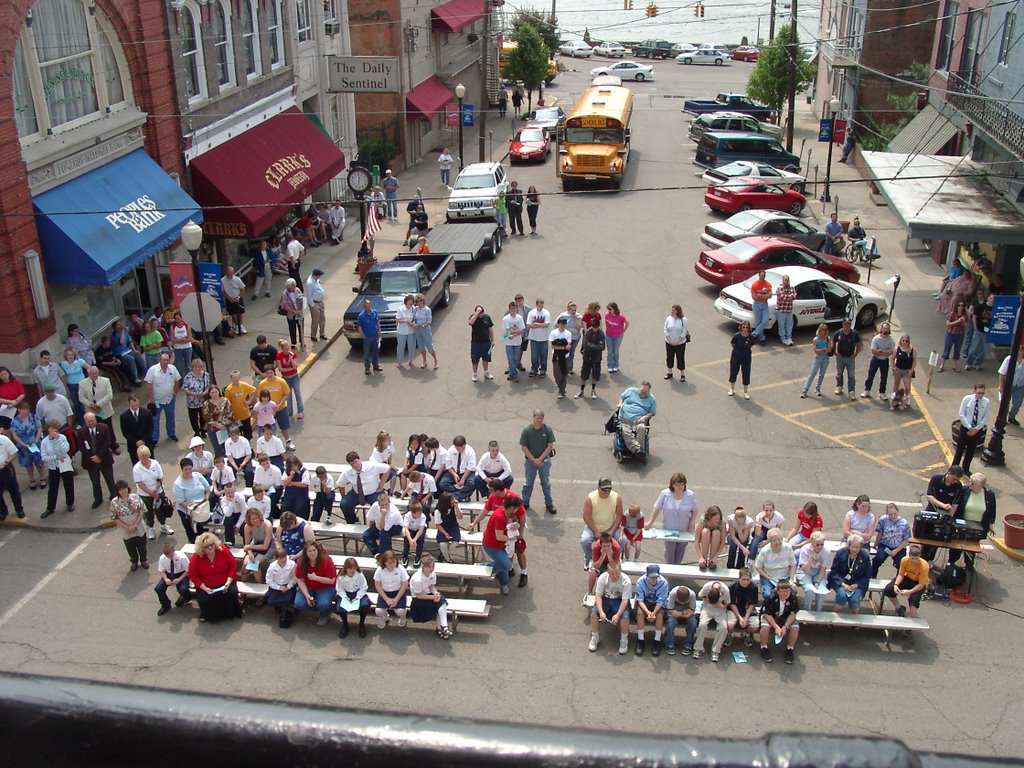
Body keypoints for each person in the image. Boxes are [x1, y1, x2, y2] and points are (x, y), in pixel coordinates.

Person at [188, 531, 243, 623]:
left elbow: (233, 565)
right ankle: (207, 614)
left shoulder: (223, 550)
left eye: (211, 544)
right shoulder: (196, 557)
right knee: (203, 599)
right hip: (206, 586)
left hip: (225, 582)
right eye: (206, 546)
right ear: (202, 548)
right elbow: (192, 575)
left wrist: (229, 582)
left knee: (232, 593)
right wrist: (204, 588)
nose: (210, 547)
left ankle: (231, 613)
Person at [646, 472, 697, 564]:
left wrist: (692, 522)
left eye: (683, 484)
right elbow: (656, 508)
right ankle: (670, 567)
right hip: (669, 530)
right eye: (678, 484)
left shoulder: (690, 495)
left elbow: (695, 510)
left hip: (684, 528)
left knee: (680, 551)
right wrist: (650, 522)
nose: (681, 486)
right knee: (670, 552)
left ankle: (676, 568)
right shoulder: (665, 494)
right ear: (673, 484)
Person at [950, 472, 997, 568]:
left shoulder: (989, 495)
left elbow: (992, 510)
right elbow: (956, 505)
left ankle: (969, 566)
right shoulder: (964, 490)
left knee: (972, 548)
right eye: (970, 481)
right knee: (956, 547)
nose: (970, 484)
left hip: (977, 528)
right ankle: (951, 562)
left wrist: (991, 524)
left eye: (973, 483)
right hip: (961, 526)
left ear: (980, 486)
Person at [588, 560, 632, 655]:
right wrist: (601, 611)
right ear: (608, 572)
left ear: (620, 570)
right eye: (612, 574)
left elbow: (625, 600)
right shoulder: (603, 578)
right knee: (594, 614)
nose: (615, 576)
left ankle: (624, 639)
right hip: (606, 599)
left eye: (617, 573)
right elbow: (598, 595)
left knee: (625, 617)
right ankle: (595, 636)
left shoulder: (626, 581)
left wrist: (618, 615)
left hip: (619, 601)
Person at [337, 451, 390, 524]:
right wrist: (343, 496)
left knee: (379, 506)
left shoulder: (371, 466)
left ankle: (377, 524)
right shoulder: (347, 472)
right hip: (357, 493)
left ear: (359, 459)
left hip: (373, 492)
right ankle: (353, 522)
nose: (355, 465)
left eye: (356, 462)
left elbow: (387, 468)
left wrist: (381, 484)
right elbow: (340, 484)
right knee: (344, 504)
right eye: (352, 464)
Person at [292, 542, 337, 627]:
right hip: (309, 586)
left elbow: (332, 580)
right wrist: (307, 595)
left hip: (325, 587)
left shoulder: (326, 561)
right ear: (305, 553)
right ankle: (321, 607)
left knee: (323, 603)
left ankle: (325, 614)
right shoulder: (301, 562)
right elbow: (300, 580)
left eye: (314, 550)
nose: (312, 553)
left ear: (317, 550)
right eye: (309, 551)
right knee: (299, 603)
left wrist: (316, 578)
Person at [520, 408, 556, 514]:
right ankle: (525, 502)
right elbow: (524, 447)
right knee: (528, 483)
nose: (539, 420)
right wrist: (533, 460)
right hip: (530, 462)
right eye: (537, 418)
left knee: (545, 483)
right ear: (533, 417)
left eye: (541, 418)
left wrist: (540, 459)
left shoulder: (547, 430)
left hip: (544, 461)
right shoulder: (527, 430)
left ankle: (549, 503)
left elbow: (550, 446)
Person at [409, 554, 452, 639]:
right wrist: (433, 597)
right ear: (423, 566)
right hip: (418, 601)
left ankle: (443, 627)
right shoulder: (417, 579)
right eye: (429, 567)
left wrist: (435, 593)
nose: (431, 569)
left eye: (433, 566)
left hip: (428, 595)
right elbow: (418, 595)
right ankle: (441, 628)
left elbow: (431, 585)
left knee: (441, 600)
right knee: (439, 604)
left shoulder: (432, 574)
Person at [78, 412, 115, 509]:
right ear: (85, 422)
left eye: (92, 420)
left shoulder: (104, 428)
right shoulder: (81, 432)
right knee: (95, 481)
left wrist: (99, 456)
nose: (91, 423)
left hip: (104, 459)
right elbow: (81, 447)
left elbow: (107, 443)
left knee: (110, 480)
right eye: (89, 421)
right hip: (90, 461)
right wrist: (92, 457)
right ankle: (98, 498)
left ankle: (114, 496)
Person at [759, 578, 800, 664]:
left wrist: (786, 626)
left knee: (795, 627)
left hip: (786, 616)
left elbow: (793, 614)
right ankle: (764, 647)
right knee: (765, 627)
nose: (786, 593)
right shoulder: (770, 597)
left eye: (787, 591)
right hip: (772, 616)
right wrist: (776, 627)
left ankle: (790, 649)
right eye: (783, 591)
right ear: (778, 591)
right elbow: (767, 614)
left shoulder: (793, 597)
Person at [132, 445, 170, 538]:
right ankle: (151, 529)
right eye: (142, 456)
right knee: (147, 512)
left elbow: (160, 478)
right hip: (144, 494)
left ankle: (163, 525)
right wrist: (150, 492)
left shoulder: (155, 463)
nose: (144, 458)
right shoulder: (137, 468)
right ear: (139, 457)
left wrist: (155, 490)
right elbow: (140, 483)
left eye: (146, 455)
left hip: (158, 491)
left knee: (161, 509)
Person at [883, 544, 929, 619]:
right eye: (912, 558)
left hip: (918, 583)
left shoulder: (924, 566)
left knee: (914, 600)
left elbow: (921, 585)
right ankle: (898, 607)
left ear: (920, 557)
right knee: (889, 589)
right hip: (906, 577)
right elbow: (901, 574)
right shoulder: (904, 560)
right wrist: (896, 585)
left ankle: (912, 621)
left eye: (916, 559)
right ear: (909, 555)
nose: (914, 561)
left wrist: (909, 592)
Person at [40, 420, 75, 519]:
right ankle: (50, 508)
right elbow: (44, 457)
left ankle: (70, 503)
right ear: (48, 429)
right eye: (52, 428)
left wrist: (58, 439)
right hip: (53, 467)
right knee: (53, 488)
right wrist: (55, 457)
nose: (54, 431)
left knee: (68, 484)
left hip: (64, 465)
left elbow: (66, 450)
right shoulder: (44, 442)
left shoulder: (62, 438)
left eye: (56, 429)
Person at [828, 533, 871, 613]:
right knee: (842, 596)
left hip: (857, 583)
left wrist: (856, 585)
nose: (855, 549)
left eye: (857, 547)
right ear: (849, 545)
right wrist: (843, 584)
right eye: (853, 547)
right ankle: (833, 620)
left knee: (854, 599)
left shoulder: (864, 556)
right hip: (841, 581)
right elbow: (834, 571)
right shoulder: (841, 553)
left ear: (860, 547)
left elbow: (867, 575)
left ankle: (855, 621)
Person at [172, 457, 211, 544]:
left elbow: (207, 489)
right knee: (193, 536)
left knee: (204, 534)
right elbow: (181, 502)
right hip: (187, 512)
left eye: (190, 468)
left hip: (202, 509)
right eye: (186, 469)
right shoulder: (178, 484)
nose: (188, 471)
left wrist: (206, 500)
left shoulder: (198, 475)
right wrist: (194, 507)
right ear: (182, 469)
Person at [145, 353, 181, 445]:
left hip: (169, 399)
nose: (165, 362)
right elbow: (148, 384)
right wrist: (151, 398)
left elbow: (177, 380)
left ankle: (171, 434)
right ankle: (154, 438)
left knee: (170, 417)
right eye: (163, 360)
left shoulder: (172, 369)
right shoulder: (153, 370)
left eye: (167, 360)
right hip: (157, 400)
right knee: (155, 420)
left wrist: (175, 392)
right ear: (160, 360)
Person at [256, 366, 295, 451]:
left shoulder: (281, 381)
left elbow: (286, 393)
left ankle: (288, 442)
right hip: (268, 412)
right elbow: (259, 396)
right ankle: (271, 447)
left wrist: (279, 404)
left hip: (281, 408)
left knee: (284, 426)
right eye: (267, 373)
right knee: (270, 429)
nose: (269, 375)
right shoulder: (262, 383)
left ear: (274, 372)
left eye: (271, 372)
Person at [953, 383, 990, 473]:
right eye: (979, 393)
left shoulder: (986, 402)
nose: (980, 395)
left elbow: (985, 417)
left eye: (982, 393)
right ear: (974, 391)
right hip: (966, 428)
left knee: (971, 451)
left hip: (977, 430)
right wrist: (970, 427)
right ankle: (954, 469)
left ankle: (966, 468)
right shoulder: (967, 399)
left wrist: (976, 429)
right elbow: (961, 414)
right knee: (959, 450)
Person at [634, 564, 669, 657]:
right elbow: (640, 600)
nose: (653, 579)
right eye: (651, 577)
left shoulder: (664, 583)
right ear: (647, 576)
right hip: (645, 603)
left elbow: (661, 601)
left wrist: (653, 613)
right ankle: (640, 640)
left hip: (657, 605)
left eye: (655, 577)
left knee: (659, 616)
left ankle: (657, 641)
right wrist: (647, 612)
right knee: (640, 614)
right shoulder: (640, 582)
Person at [692, 581, 731, 663]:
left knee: (724, 627)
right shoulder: (706, 587)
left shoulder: (725, 590)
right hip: (707, 608)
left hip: (720, 610)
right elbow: (700, 595)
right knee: (702, 624)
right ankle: (698, 648)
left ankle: (716, 650)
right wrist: (707, 600)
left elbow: (727, 602)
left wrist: (722, 606)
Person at [615, 381, 655, 457]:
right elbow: (622, 397)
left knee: (642, 428)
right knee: (625, 430)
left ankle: (639, 451)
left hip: (639, 420)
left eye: (646, 392)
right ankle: (637, 450)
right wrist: (620, 403)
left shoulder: (651, 399)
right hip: (625, 418)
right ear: (639, 388)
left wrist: (645, 417)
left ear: (649, 391)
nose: (643, 393)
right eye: (642, 390)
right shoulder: (630, 391)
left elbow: (652, 412)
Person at [753, 527, 796, 598]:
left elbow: (793, 565)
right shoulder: (765, 551)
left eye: (779, 539)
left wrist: (791, 580)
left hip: (785, 577)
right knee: (768, 594)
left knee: (792, 593)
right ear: (770, 541)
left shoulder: (788, 548)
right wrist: (768, 578)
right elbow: (758, 566)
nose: (777, 542)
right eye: (774, 540)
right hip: (769, 577)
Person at [10, 401, 43, 490]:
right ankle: (32, 479)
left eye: (27, 409)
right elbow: (14, 434)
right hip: (23, 446)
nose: (25, 411)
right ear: (19, 410)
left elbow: (39, 428)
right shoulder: (15, 421)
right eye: (23, 409)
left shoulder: (33, 417)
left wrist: (36, 439)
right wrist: (22, 444)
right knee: (28, 464)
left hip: (35, 443)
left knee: (39, 462)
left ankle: (42, 477)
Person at [335, 557, 370, 638]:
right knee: (341, 608)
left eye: (354, 568)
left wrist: (357, 598)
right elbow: (339, 589)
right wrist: (345, 597)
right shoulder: (341, 577)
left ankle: (361, 624)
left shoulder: (360, 575)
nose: (352, 570)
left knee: (364, 605)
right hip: (345, 595)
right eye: (350, 568)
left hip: (358, 594)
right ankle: (345, 625)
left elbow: (363, 587)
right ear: (346, 568)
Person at [872, 502, 911, 576]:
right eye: (890, 514)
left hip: (898, 546)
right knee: (878, 559)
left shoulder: (904, 523)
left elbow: (906, 540)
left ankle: (897, 581)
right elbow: (880, 533)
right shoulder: (883, 520)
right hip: (885, 545)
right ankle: (872, 575)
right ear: (887, 513)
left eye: (894, 514)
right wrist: (875, 545)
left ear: (898, 511)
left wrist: (896, 551)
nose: (893, 516)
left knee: (900, 564)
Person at [798, 531, 834, 611]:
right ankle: (807, 611)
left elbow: (823, 569)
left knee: (821, 590)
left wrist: (817, 582)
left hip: (819, 572)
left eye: (822, 544)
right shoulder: (805, 549)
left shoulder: (826, 552)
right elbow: (805, 569)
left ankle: (819, 611)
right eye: (817, 544)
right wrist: (811, 557)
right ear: (812, 543)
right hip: (806, 572)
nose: (820, 547)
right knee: (809, 590)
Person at [373, 549, 410, 626]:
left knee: (400, 612)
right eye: (389, 563)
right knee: (379, 611)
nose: (392, 564)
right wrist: (386, 599)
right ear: (384, 562)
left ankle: (403, 618)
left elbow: (405, 583)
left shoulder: (400, 568)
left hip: (398, 593)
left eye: (394, 562)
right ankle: (385, 617)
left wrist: (396, 599)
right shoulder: (380, 570)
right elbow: (377, 585)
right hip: (385, 593)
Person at [154, 538, 191, 616]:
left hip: (181, 574)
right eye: (167, 556)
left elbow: (188, 570)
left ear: (173, 550)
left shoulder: (181, 556)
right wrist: (166, 579)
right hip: (169, 574)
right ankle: (165, 605)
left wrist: (179, 579)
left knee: (183, 589)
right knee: (158, 588)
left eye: (171, 555)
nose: (169, 557)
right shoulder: (162, 558)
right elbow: (162, 570)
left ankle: (186, 598)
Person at [264, 547, 298, 627]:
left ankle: (288, 611)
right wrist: (279, 587)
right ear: (276, 558)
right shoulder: (272, 566)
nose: (283, 559)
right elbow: (269, 580)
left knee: (289, 599)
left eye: (284, 557)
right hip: (276, 586)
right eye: (280, 558)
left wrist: (288, 586)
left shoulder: (292, 564)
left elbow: (294, 578)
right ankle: (278, 606)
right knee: (271, 601)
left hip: (288, 585)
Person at [861, 322, 895, 399]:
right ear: (881, 329)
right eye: (884, 328)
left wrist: (881, 351)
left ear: (889, 330)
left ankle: (882, 392)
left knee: (884, 377)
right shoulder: (876, 339)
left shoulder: (891, 340)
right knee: (870, 375)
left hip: (885, 361)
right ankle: (867, 390)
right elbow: (873, 351)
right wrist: (885, 351)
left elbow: (892, 351)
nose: (885, 330)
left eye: (887, 328)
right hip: (875, 359)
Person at [727, 567, 760, 646]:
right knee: (730, 625)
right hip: (734, 609)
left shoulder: (754, 588)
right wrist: (740, 618)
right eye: (743, 579)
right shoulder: (733, 587)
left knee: (755, 627)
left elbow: (752, 604)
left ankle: (746, 633)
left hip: (747, 609)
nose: (745, 582)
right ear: (739, 578)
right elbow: (732, 604)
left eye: (748, 580)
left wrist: (746, 618)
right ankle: (731, 634)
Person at [240, 505, 275, 582]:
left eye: (256, 518)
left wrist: (250, 547)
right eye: (252, 519)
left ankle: (260, 587)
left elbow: (265, 546)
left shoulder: (267, 524)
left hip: (269, 546)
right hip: (255, 545)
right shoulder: (247, 527)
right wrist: (250, 553)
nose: (255, 520)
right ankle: (243, 590)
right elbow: (247, 544)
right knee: (245, 565)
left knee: (254, 565)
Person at [438, 435, 476, 501]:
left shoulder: (470, 452)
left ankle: (454, 496)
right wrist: (454, 474)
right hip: (453, 471)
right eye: (457, 448)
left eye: (459, 448)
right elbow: (448, 465)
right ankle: (462, 495)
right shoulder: (451, 450)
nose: (458, 450)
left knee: (472, 483)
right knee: (443, 483)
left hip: (466, 472)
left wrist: (463, 479)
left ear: (464, 446)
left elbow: (470, 467)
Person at [120, 394, 154, 466]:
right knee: (137, 465)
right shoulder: (124, 416)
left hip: (147, 443)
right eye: (133, 405)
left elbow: (150, 428)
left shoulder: (147, 413)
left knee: (150, 463)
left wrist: (143, 440)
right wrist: (136, 441)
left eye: (136, 405)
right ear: (129, 404)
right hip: (133, 446)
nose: (135, 407)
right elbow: (125, 432)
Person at [575, 317, 605, 400]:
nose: (595, 329)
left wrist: (591, 346)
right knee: (584, 374)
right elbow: (585, 344)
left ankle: (593, 390)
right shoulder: (588, 332)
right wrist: (595, 346)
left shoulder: (601, 333)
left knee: (595, 375)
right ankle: (581, 390)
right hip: (587, 357)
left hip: (596, 358)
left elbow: (602, 347)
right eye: (593, 327)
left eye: (596, 328)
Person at [801, 324, 833, 398]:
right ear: (819, 331)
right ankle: (805, 390)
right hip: (818, 358)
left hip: (825, 358)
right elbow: (816, 350)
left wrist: (822, 350)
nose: (823, 333)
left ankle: (817, 388)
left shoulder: (828, 339)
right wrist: (823, 350)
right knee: (812, 374)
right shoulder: (815, 339)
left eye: (825, 331)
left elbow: (829, 349)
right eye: (822, 331)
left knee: (822, 374)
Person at [180, 359, 210, 440]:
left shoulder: (206, 375)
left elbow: (208, 387)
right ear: (192, 368)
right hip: (192, 402)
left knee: (203, 417)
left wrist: (203, 394)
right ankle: (196, 431)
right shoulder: (188, 376)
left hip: (202, 401)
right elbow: (185, 388)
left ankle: (203, 430)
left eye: (200, 367)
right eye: (196, 367)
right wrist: (194, 394)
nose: (198, 369)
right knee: (193, 418)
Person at [965, 288, 993, 371]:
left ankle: (978, 363)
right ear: (988, 298)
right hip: (979, 330)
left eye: (994, 298)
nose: (992, 300)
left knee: (983, 349)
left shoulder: (995, 309)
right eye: (991, 298)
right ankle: (968, 363)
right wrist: (975, 327)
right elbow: (974, 316)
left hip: (987, 331)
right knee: (974, 347)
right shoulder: (981, 306)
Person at [833, 319, 862, 400]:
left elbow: (859, 343)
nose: (847, 326)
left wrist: (856, 353)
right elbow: (833, 342)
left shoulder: (854, 333)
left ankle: (851, 392)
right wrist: (835, 352)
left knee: (851, 375)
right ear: (842, 325)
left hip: (850, 358)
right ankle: (839, 387)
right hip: (840, 357)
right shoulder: (838, 333)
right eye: (845, 324)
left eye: (848, 324)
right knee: (839, 373)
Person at [432, 492, 463, 564]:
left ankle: (446, 554)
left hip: (453, 527)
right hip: (443, 528)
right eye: (452, 499)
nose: (454, 500)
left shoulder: (454, 507)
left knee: (455, 542)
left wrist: (457, 507)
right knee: (442, 544)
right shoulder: (438, 511)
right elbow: (438, 524)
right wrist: (445, 533)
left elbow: (460, 517)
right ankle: (448, 560)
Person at [728, 320, 756, 398]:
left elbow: (751, 344)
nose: (745, 329)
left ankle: (745, 392)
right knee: (733, 372)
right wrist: (737, 351)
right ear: (741, 327)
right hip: (736, 356)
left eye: (747, 327)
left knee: (746, 373)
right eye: (743, 327)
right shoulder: (737, 335)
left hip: (746, 357)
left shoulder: (751, 337)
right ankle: (732, 389)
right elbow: (732, 343)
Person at [0, 431, 24, 522]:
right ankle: (2, 512)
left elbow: (14, 453)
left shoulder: (4, 440)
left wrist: (6, 462)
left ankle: (19, 509)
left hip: (6, 468)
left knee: (13, 489)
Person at [889, 332, 916, 411]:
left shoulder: (912, 350)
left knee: (907, 387)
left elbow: (914, 360)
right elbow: (892, 358)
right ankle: (895, 400)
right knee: (896, 385)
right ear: (901, 341)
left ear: (908, 342)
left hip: (907, 371)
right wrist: (893, 367)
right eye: (903, 340)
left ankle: (905, 397)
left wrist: (912, 369)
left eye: (906, 341)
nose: (904, 342)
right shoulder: (897, 348)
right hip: (898, 369)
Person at [939, 301, 968, 373]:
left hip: (960, 335)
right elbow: (948, 324)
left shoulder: (964, 315)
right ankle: (942, 365)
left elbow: (966, 325)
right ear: (956, 306)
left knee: (957, 350)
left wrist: (963, 321)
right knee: (947, 349)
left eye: (962, 305)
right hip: (950, 334)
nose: (960, 307)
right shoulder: (952, 314)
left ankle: (955, 365)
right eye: (959, 305)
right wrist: (957, 321)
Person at [695, 505, 726, 571]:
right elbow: (696, 540)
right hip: (705, 535)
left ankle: (712, 560)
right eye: (715, 519)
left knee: (716, 533)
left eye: (718, 518)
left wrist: (716, 556)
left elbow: (723, 542)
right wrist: (700, 557)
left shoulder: (722, 522)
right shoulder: (703, 520)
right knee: (705, 531)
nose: (717, 520)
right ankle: (704, 559)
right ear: (710, 517)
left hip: (716, 536)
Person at [412, 294, 439, 370]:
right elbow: (414, 318)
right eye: (417, 301)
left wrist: (423, 325)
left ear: (423, 301)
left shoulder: (427, 310)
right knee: (421, 346)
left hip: (425, 329)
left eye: (420, 301)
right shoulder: (416, 309)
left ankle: (436, 361)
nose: (419, 302)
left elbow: (429, 321)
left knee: (429, 346)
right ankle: (424, 361)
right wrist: (414, 323)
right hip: (417, 330)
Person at [468, 305, 494, 383]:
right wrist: (477, 313)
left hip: (486, 343)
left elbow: (490, 329)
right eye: (479, 312)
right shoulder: (473, 317)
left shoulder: (487, 317)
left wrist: (492, 340)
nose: (481, 314)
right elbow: (470, 323)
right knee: (475, 359)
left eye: (482, 312)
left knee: (486, 358)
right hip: (476, 343)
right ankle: (474, 374)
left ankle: (486, 372)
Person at [999, 346, 1024, 425]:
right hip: (1008, 385)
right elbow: (1002, 374)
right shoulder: (1009, 359)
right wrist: (1001, 386)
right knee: (1005, 402)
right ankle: (1002, 418)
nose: (1020, 353)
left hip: (1020, 385)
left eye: (1022, 351)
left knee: (1018, 403)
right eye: (1019, 351)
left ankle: (1011, 416)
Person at [526, 298, 551, 377]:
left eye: (542, 305)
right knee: (534, 356)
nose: (541, 306)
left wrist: (536, 324)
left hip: (544, 338)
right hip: (534, 338)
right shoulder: (532, 313)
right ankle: (534, 369)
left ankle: (543, 370)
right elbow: (529, 325)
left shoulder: (546, 313)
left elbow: (546, 324)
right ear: (536, 304)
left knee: (544, 356)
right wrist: (541, 325)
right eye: (539, 305)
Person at [663, 304, 688, 381]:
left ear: (678, 311)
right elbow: (665, 329)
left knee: (680, 358)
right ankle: (669, 373)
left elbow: (684, 332)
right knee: (669, 357)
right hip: (669, 343)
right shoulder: (669, 318)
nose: (672, 311)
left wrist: (678, 341)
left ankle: (682, 375)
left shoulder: (683, 320)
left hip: (680, 344)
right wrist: (669, 340)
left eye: (673, 310)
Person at [280, 278, 306, 350]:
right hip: (291, 315)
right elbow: (285, 305)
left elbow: (302, 299)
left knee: (301, 327)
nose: (294, 287)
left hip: (299, 313)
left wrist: (299, 309)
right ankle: (293, 342)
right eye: (292, 286)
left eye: (294, 285)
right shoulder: (285, 294)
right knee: (292, 328)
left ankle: (302, 341)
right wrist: (293, 311)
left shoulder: (297, 290)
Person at [550, 316, 572, 398]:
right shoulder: (553, 333)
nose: (562, 325)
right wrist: (563, 347)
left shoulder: (568, 333)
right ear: (558, 324)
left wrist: (559, 345)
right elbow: (552, 346)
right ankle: (560, 385)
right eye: (561, 323)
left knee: (564, 373)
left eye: (564, 324)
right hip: (556, 356)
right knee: (556, 374)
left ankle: (561, 391)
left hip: (565, 357)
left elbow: (568, 346)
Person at [221, 266, 246, 336]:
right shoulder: (222, 280)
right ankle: (236, 326)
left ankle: (241, 325)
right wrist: (229, 298)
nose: (231, 274)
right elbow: (222, 292)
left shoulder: (237, 279)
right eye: (230, 273)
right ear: (226, 272)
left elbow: (243, 288)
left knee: (240, 312)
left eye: (232, 273)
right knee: (233, 313)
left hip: (238, 298)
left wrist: (238, 297)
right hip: (230, 299)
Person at [604, 302, 629, 372]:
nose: (609, 311)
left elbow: (627, 323)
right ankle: (610, 365)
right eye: (608, 309)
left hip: (618, 336)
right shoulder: (607, 315)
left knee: (615, 351)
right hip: (609, 335)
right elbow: (606, 323)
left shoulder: (621, 316)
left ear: (614, 308)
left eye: (610, 309)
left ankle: (616, 365)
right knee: (610, 351)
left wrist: (623, 331)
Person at [305, 269, 327, 344]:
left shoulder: (317, 280)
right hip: (315, 303)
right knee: (315, 320)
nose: (320, 277)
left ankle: (322, 333)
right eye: (319, 275)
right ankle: (313, 335)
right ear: (315, 275)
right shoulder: (309, 283)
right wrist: (313, 305)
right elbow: (309, 296)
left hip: (320, 302)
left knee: (322, 319)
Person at [774, 273, 797, 346]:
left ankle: (789, 338)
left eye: (787, 280)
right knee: (781, 325)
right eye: (785, 280)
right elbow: (782, 297)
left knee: (789, 324)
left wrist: (789, 296)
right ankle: (783, 338)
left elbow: (794, 296)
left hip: (789, 310)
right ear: (782, 280)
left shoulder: (792, 287)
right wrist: (789, 297)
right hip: (781, 310)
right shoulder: (779, 287)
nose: (786, 281)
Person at [396, 295, 417, 370]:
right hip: (402, 331)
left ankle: (411, 361)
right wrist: (405, 321)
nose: (411, 303)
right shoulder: (401, 309)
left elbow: (414, 319)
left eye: (412, 302)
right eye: (409, 301)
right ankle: (399, 362)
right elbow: (397, 320)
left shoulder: (414, 309)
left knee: (411, 346)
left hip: (411, 331)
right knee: (401, 347)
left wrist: (412, 323)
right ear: (406, 301)